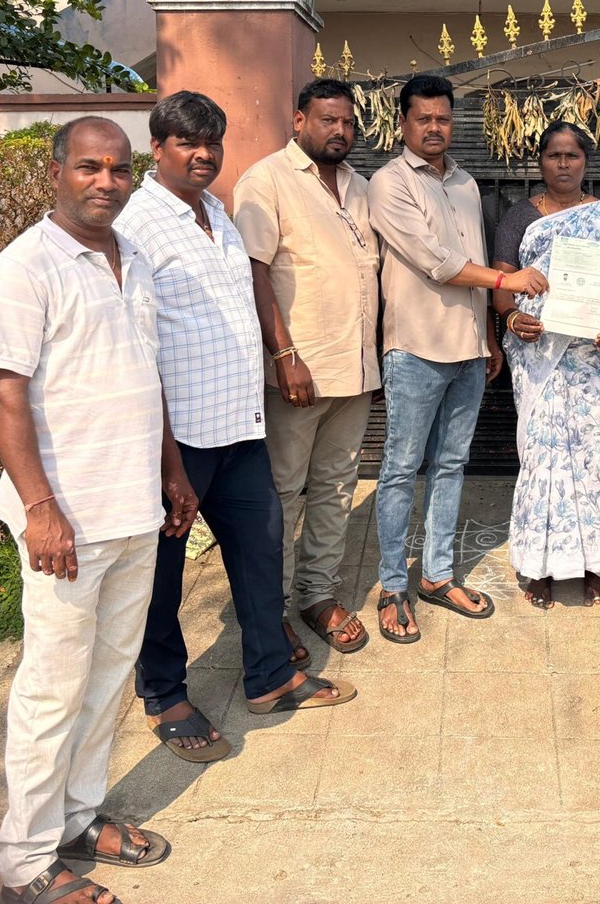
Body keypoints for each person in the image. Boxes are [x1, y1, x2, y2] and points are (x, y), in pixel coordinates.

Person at [0, 117, 190, 903]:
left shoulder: (134, 258)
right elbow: (5, 395)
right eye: (89, 167)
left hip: (133, 509)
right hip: (65, 521)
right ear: (56, 173)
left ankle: (76, 818)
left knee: (106, 680)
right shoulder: (22, 268)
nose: (107, 181)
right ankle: (27, 860)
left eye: (119, 168)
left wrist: (172, 471)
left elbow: (147, 373)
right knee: (53, 689)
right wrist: (40, 508)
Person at [117, 91, 353, 767]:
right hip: (180, 440)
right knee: (162, 576)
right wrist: (165, 460)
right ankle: (164, 696)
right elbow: (136, 347)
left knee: (260, 551)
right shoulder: (136, 227)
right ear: (157, 148)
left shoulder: (216, 213)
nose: (203, 154)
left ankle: (270, 676)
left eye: (212, 142)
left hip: (238, 427)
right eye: (187, 142)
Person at [367, 73, 548, 642]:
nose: (434, 127)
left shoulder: (466, 183)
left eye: (443, 118)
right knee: (400, 470)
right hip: (415, 349)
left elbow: (471, 262)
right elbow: (437, 262)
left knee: (450, 465)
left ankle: (437, 575)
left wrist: (489, 336)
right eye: (423, 118)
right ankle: (393, 585)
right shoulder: (388, 183)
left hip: (469, 349)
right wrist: (508, 280)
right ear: (403, 123)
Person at [235, 78, 380, 659]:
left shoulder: (360, 187)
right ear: (299, 121)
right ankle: (270, 612)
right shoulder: (266, 180)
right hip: (298, 372)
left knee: (337, 487)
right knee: (282, 492)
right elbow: (254, 270)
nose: (339, 131)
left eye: (347, 122)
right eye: (327, 120)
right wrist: (284, 356)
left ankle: (317, 594)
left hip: (356, 368)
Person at [492, 122, 600, 609]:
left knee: (592, 457)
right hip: (539, 357)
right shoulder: (519, 216)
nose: (563, 164)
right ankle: (538, 565)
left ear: (586, 161)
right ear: (540, 161)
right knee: (541, 458)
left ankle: (590, 564)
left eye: (572, 155)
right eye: (554, 155)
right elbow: (501, 283)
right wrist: (512, 317)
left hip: (594, 360)